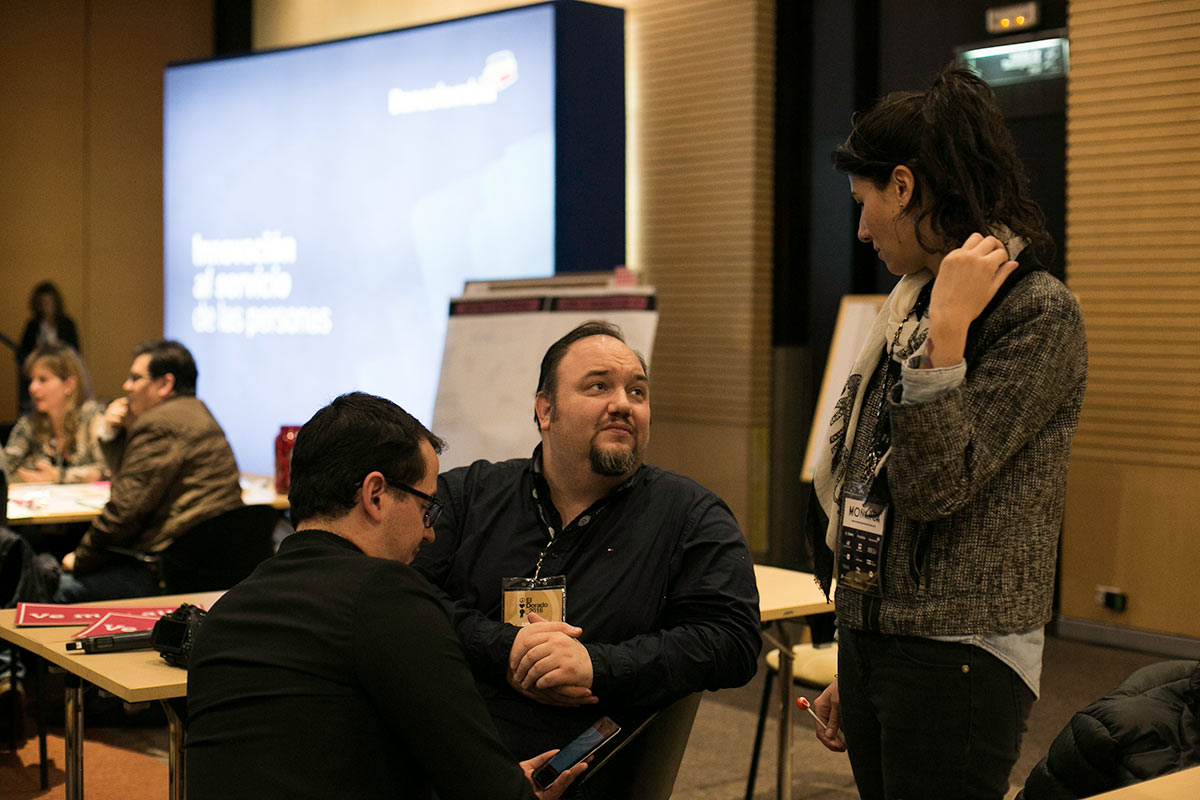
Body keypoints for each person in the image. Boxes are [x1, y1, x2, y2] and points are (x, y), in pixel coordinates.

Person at [806, 65, 1088, 800]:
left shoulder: (1036, 313)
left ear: (903, 187)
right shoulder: (909, 307)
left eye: (864, 203)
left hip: (959, 650)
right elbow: (872, 473)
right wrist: (856, 649)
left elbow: (933, 488)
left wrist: (949, 339)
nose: (861, 229)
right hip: (877, 635)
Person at [186, 392, 584, 800]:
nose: (429, 533)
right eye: (427, 508)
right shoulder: (387, 597)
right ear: (375, 495)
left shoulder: (227, 611)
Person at [413, 320, 761, 767]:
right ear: (545, 410)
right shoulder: (467, 496)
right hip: (445, 753)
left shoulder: (690, 516)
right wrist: (506, 650)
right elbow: (402, 596)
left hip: (585, 767)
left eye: (637, 392)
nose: (623, 404)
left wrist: (596, 665)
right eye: (598, 386)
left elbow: (732, 641)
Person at [55, 339, 243, 601]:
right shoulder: (198, 412)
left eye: (135, 378)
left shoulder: (159, 425)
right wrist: (115, 434)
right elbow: (132, 489)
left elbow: (124, 511)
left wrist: (80, 559)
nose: (126, 386)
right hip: (213, 564)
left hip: (172, 571)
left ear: (165, 384)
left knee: (59, 586)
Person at [4, 344, 106, 484]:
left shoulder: (92, 417)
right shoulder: (29, 424)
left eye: (43, 380)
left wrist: (60, 476)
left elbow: (106, 470)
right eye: (31, 380)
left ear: (69, 385)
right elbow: (6, 466)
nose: (32, 388)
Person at [16, 281, 80, 414]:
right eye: (42, 302)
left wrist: (61, 348)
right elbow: (22, 353)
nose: (46, 306)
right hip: (36, 368)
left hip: (61, 370)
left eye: (49, 302)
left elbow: (76, 353)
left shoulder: (67, 324)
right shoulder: (33, 325)